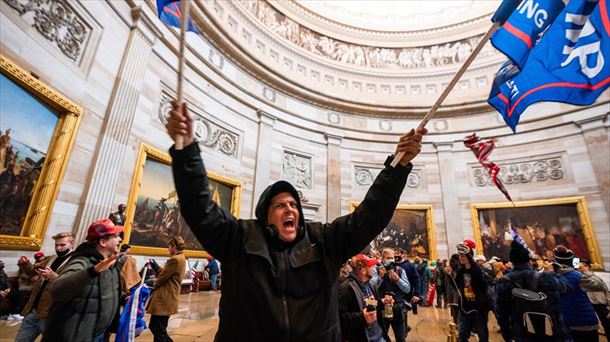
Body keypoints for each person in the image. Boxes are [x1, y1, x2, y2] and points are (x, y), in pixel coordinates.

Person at [165, 100, 426, 341]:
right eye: (280, 205)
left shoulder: (323, 241)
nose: (289, 209)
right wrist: (186, 150)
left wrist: (398, 165)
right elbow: (201, 208)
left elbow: (370, 215)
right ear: (265, 214)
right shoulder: (240, 239)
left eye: (293, 204)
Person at [42, 219, 124, 342]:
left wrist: (124, 297)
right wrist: (92, 271)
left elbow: (104, 289)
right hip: (77, 335)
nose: (120, 240)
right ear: (102, 242)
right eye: (116, 236)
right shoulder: (82, 260)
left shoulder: (110, 261)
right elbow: (57, 289)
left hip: (99, 333)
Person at [496, 240, 571, 342]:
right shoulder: (544, 277)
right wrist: (553, 272)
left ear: (512, 262)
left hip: (522, 331)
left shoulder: (503, 282)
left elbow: (501, 312)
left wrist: (506, 334)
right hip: (552, 329)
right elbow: (566, 288)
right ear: (529, 261)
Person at [15, 232, 75, 341]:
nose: (58, 248)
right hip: (34, 309)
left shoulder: (75, 262)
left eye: (62, 245)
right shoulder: (51, 259)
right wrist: (25, 264)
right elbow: (32, 272)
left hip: (52, 314)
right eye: (56, 245)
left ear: (71, 244)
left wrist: (54, 277)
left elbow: (71, 284)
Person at [553, 245, 606, 342]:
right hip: (585, 321)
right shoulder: (578, 276)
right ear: (571, 260)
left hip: (567, 321)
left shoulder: (552, 276)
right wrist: (586, 271)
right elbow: (600, 286)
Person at [445, 242, 491, 342]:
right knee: (462, 334)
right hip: (465, 307)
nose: (460, 257)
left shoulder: (477, 270)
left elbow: (482, 283)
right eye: (460, 255)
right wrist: (449, 275)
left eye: (463, 255)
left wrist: (469, 255)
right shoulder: (461, 270)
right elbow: (456, 285)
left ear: (468, 256)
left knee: (482, 334)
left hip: (478, 309)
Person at [339, 254, 391, 342]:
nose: (374, 268)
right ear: (363, 270)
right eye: (371, 266)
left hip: (379, 336)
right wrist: (361, 317)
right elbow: (339, 317)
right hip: (364, 338)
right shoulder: (346, 288)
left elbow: (369, 304)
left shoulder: (370, 284)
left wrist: (382, 302)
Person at [146, 236, 187, 342]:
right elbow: (168, 273)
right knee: (158, 328)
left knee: (157, 328)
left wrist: (149, 284)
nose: (168, 249)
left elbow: (162, 278)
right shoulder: (181, 257)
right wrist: (157, 268)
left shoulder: (175, 259)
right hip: (169, 297)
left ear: (174, 246)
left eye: (169, 246)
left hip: (165, 298)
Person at [373, 248, 411, 342]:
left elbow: (407, 289)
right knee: (381, 337)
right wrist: (380, 278)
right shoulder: (376, 270)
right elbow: (372, 288)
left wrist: (398, 280)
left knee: (401, 337)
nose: (391, 260)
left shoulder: (400, 270)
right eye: (388, 257)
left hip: (398, 308)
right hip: (381, 309)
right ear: (383, 259)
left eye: (392, 257)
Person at [578, 259, 610, 337]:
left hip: (601, 305)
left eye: (581, 265)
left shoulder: (594, 277)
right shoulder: (579, 277)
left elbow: (606, 291)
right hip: (589, 306)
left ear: (587, 266)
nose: (579, 266)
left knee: (608, 326)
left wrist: (609, 306)